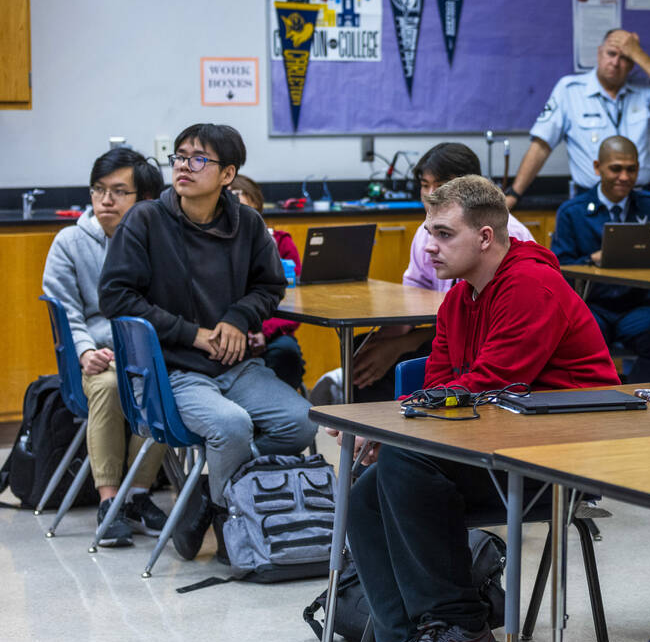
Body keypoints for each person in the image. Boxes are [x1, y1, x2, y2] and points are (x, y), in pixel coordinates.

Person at [346, 176, 618, 642]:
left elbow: (494, 381)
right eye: (429, 233)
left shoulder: (530, 286)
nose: (429, 247)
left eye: (444, 235)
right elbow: (441, 388)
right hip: (498, 449)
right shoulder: (456, 301)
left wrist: (400, 424)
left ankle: (459, 627)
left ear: (486, 236)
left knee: (404, 461)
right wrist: (400, 419)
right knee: (365, 493)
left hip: (563, 458)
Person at [99, 123, 317, 560]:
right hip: (172, 370)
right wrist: (191, 334)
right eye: (180, 156)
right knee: (231, 427)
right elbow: (116, 296)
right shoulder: (145, 220)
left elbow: (270, 285)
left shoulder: (249, 224)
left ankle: (206, 491)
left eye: (199, 159)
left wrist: (238, 318)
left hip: (236, 367)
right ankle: (229, 517)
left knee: (304, 422)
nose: (183, 166)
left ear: (227, 174)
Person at [310, 143, 536, 404]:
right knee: (363, 345)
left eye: (440, 185)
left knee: (401, 361)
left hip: (482, 346)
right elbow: (415, 298)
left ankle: (375, 418)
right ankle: (365, 414)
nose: (430, 195)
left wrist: (399, 347)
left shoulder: (509, 239)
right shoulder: (427, 232)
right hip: (446, 331)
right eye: (424, 185)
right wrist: (384, 343)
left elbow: (484, 343)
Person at [41, 148, 168, 548]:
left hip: (146, 353)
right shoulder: (70, 242)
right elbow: (68, 314)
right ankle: (109, 502)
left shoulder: (159, 240)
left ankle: (138, 495)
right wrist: (83, 353)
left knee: (168, 385)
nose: (105, 201)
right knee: (112, 387)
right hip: (94, 357)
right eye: (98, 190)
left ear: (144, 200)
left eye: (118, 191)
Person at [505, 28, 650, 208]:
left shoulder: (642, 89)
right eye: (611, 54)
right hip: (593, 200)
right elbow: (541, 147)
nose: (615, 62)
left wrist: (638, 54)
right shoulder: (570, 90)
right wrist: (514, 194)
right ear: (599, 53)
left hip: (644, 196)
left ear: (632, 64)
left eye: (625, 57)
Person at [552, 135, 650, 383]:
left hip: (636, 305)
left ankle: (630, 392)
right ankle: (601, 395)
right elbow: (558, 266)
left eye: (631, 169)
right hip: (591, 305)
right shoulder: (573, 212)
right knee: (579, 345)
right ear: (597, 167)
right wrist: (591, 259)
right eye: (616, 169)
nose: (624, 176)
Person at [230, 174, 306, 391]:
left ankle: (279, 416)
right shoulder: (215, 248)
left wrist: (264, 332)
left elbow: (294, 301)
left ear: (258, 207)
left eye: (245, 209)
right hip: (230, 330)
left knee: (286, 355)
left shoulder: (281, 243)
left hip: (274, 331)